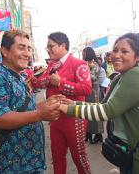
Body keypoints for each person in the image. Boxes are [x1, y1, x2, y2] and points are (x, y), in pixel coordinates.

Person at [58, 33, 139, 174]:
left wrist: (67, 109)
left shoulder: (137, 75)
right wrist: (74, 103)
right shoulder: (120, 77)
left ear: (138, 56)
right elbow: (102, 104)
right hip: (128, 152)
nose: (116, 55)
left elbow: (106, 112)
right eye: (115, 50)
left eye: (125, 51)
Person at [0, 30, 61, 173]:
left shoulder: (17, 76)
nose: (27, 53)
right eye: (21, 47)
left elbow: (18, 108)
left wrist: (44, 105)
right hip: (12, 166)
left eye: (29, 48)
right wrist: (39, 114)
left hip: (31, 162)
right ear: (4, 51)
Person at [32, 32, 92, 174]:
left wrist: (61, 82)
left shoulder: (79, 64)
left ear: (63, 46)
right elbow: (41, 83)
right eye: (47, 47)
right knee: (57, 156)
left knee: (79, 158)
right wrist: (33, 78)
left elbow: (87, 88)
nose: (48, 49)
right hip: (55, 118)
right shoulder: (52, 65)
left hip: (74, 118)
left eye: (51, 46)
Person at [82, 47, 103, 144]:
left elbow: (93, 78)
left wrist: (86, 69)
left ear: (88, 54)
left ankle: (98, 135)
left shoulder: (95, 65)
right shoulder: (84, 64)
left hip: (94, 93)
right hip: (86, 93)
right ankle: (88, 133)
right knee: (87, 113)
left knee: (96, 113)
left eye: (84, 54)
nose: (83, 55)